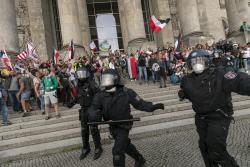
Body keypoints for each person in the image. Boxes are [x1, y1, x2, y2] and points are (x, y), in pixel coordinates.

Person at [178, 49, 250, 167]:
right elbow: (190, 93)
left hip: (218, 115)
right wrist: (184, 94)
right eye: (194, 61)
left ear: (208, 61)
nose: (197, 64)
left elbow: (239, 80)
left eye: (200, 60)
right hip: (201, 118)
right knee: (204, 148)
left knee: (216, 151)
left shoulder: (219, 74)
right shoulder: (187, 80)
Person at [88, 69, 164, 167]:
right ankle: (139, 159)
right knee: (125, 145)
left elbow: (140, 103)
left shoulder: (127, 92)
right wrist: (95, 115)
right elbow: (93, 108)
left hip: (124, 125)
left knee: (117, 152)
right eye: (105, 79)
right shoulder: (100, 95)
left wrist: (152, 107)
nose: (107, 82)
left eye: (109, 79)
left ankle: (137, 159)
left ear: (115, 80)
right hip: (113, 126)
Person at [74, 65, 103, 160]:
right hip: (83, 109)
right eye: (79, 74)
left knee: (94, 128)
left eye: (83, 74)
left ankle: (98, 148)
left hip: (91, 108)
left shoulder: (91, 83)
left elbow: (99, 94)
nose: (81, 76)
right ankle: (86, 148)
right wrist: (72, 102)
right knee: (84, 130)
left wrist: (97, 106)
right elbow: (78, 96)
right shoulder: (78, 85)